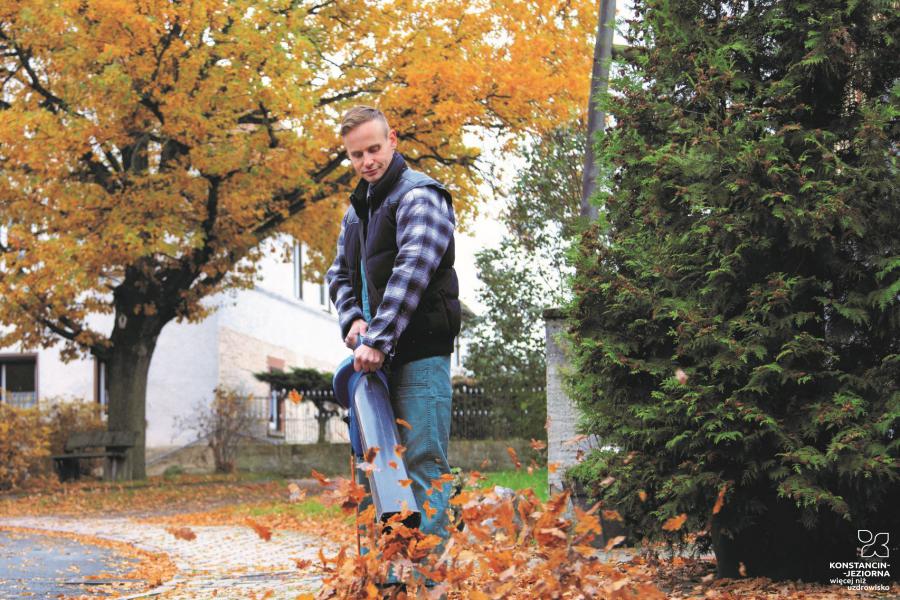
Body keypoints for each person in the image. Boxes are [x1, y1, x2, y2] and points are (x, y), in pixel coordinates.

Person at [325, 105, 461, 584]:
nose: (367, 161)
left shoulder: (419, 195)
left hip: (420, 356)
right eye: (357, 154)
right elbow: (338, 274)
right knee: (382, 473)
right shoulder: (357, 210)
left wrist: (379, 337)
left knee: (424, 464)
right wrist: (354, 318)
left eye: (374, 149)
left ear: (393, 140)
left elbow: (413, 267)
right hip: (375, 366)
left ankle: (433, 581)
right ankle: (395, 575)